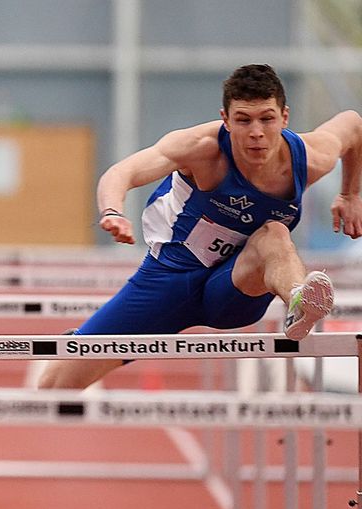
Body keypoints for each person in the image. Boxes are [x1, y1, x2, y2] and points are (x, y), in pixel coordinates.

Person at [39, 64, 362, 391]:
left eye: (266, 119)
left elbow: (353, 124)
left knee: (275, 234)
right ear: (226, 119)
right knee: (53, 384)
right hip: (169, 280)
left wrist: (350, 193)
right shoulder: (201, 148)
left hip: (235, 287)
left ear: (284, 117)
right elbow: (123, 172)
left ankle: (298, 301)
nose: (256, 133)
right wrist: (112, 211)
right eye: (243, 120)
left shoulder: (309, 158)